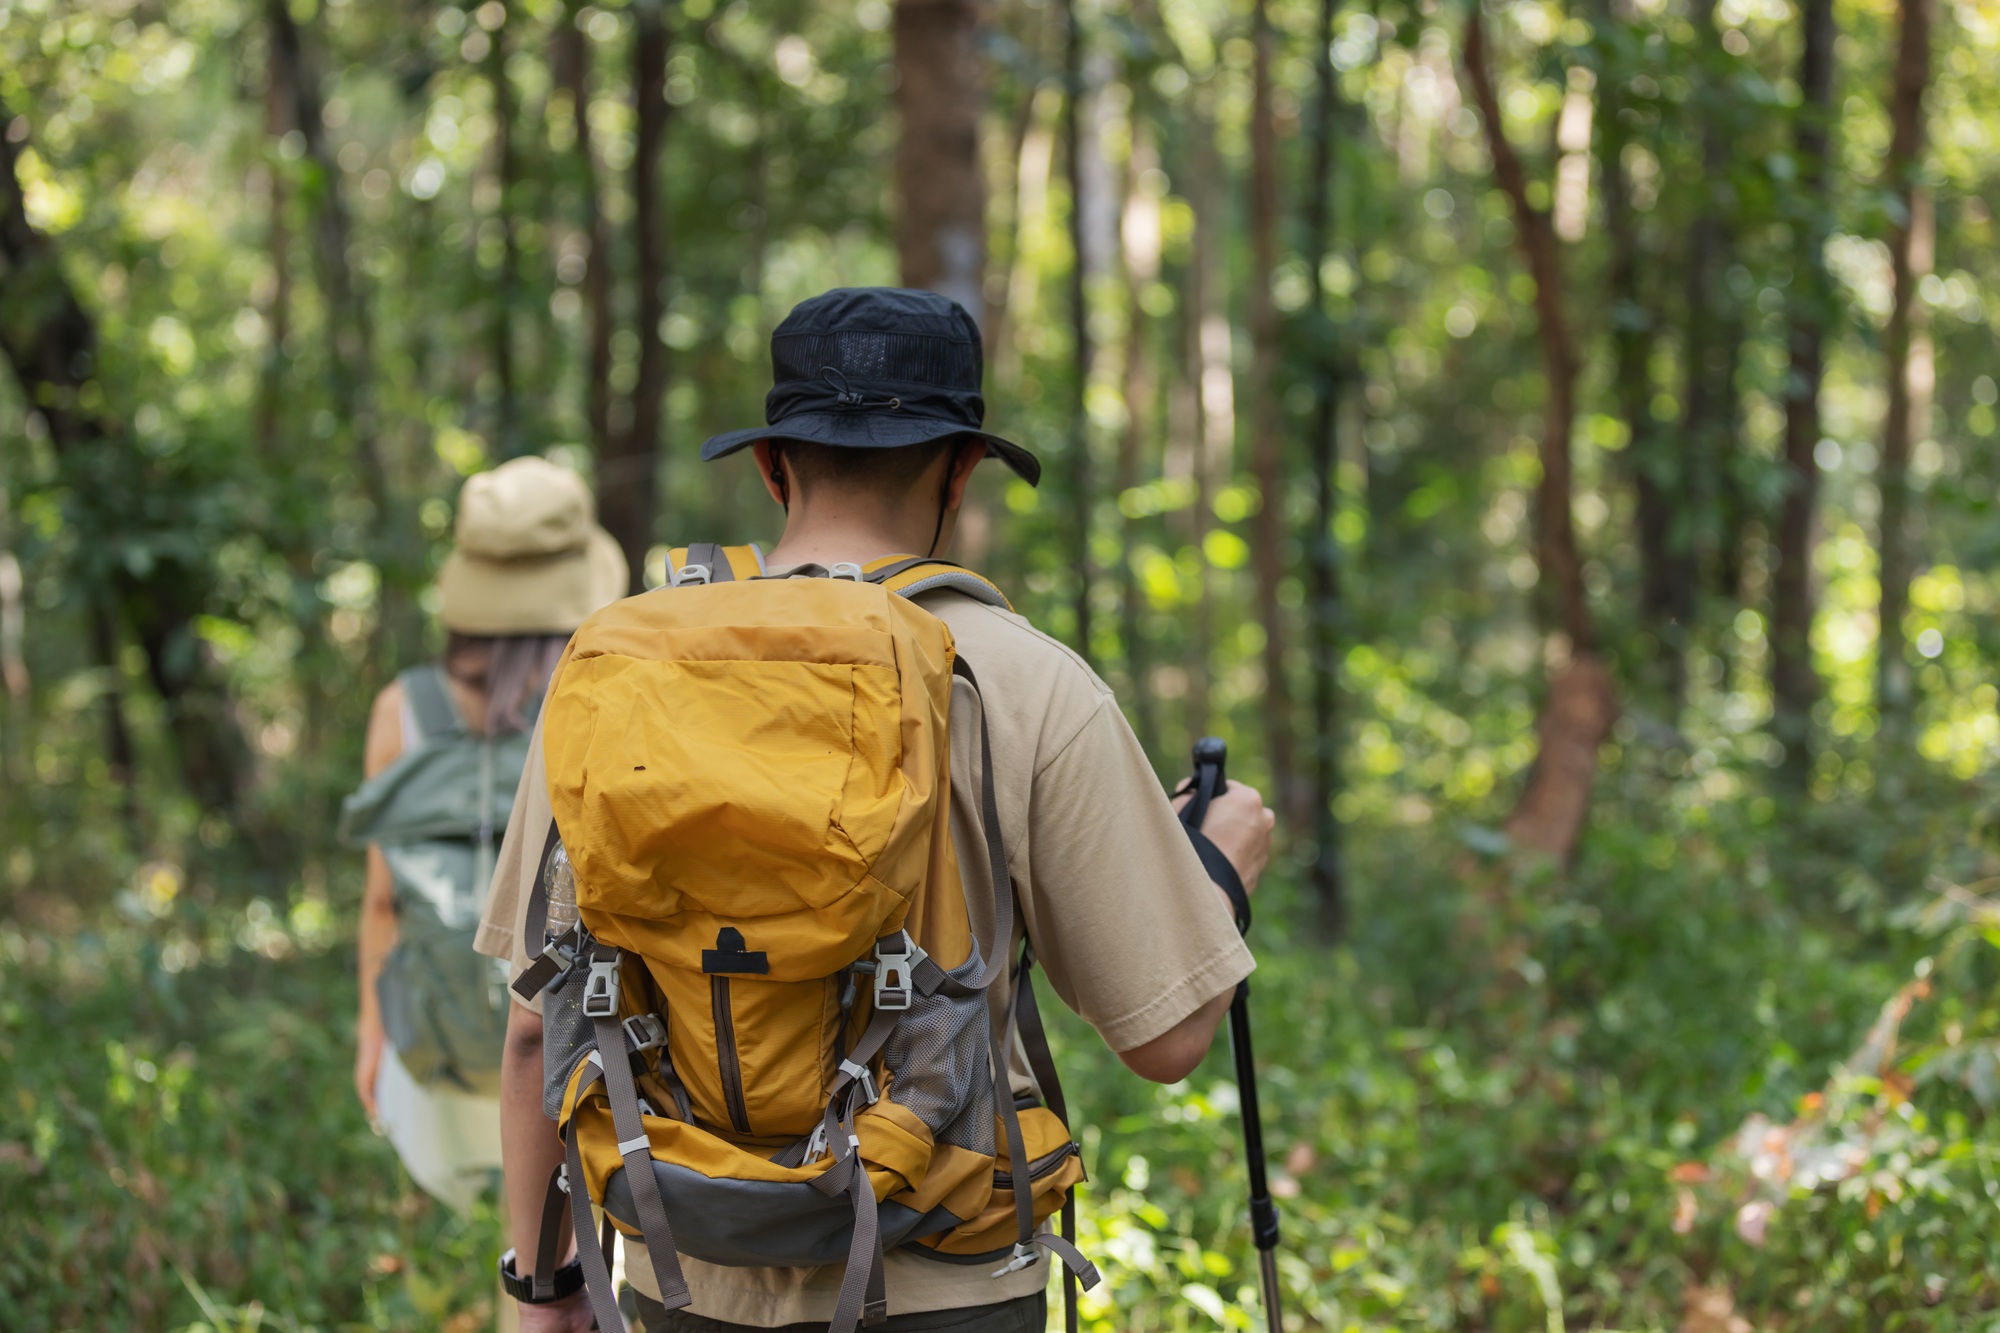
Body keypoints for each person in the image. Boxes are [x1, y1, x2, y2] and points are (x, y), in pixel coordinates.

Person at [476, 288, 1276, 1332]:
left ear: (771, 465)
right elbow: (1166, 1036)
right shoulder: (1027, 683)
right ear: (959, 468)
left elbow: (538, 1028)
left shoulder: (617, 673)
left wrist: (545, 1294)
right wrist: (1213, 865)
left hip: (679, 1276)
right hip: (943, 1291)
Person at [345, 456, 627, 1213]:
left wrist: (373, 1036)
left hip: (433, 1048)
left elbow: (382, 901)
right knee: (567, 1257)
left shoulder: (400, 709)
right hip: (570, 1040)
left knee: (496, 1247)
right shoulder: (597, 695)